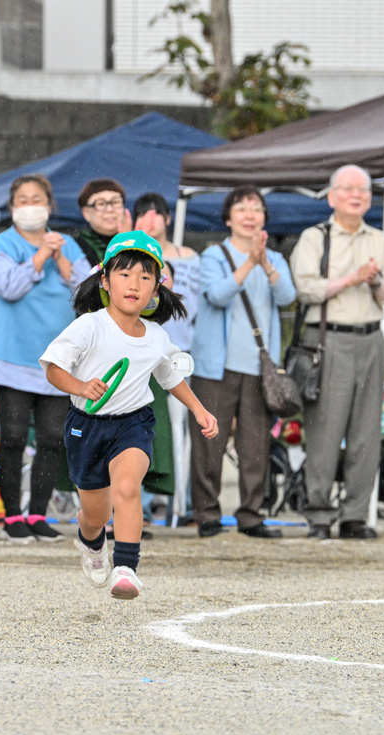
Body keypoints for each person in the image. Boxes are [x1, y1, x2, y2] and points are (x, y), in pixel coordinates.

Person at [40, 231, 218, 599]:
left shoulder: (156, 336)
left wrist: (199, 409)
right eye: (124, 274)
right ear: (105, 281)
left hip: (133, 424)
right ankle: (90, 541)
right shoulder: (89, 325)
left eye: (145, 276)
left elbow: (170, 377)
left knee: (127, 487)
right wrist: (80, 386)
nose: (134, 284)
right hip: (86, 428)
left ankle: (126, 568)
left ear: (156, 288)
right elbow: (53, 368)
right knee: (96, 516)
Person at [290, 165, 384, 540]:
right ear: (332, 196)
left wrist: (375, 281)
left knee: (367, 431)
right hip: (328, 339)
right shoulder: (315, 237)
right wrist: (351, 279)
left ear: (370, 198)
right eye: (348, 188)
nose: (356, 195)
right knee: (325, 429)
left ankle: (355, 514)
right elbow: (306, 288)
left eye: (363, 190)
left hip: (371, 338)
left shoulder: (380, 240)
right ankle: (319, 514)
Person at [0, 174, 91, 543]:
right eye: (22, 200)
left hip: (56, 360)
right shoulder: (2, 243)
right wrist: (40, 255)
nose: (30, 206)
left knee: (52, 439)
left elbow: (88, 292)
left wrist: (61, 259)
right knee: (12, 437)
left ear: (49, 205)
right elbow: (8, 287)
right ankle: (12, 517)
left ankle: (39, 515)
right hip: (10, 356)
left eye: (37, 199)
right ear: (12, 208)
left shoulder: (68, 244)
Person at [191, 185, 297, 539]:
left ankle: (251, 515)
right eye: (241, 208)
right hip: (215, 365)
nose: (250, 215)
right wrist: (249, 263)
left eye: (256, 208)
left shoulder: (275, 258)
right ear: (228, 218)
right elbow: (216, 296)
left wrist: (265, 263)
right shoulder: (214, 255)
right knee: (209, 442)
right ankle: (207, 514)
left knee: (255, 445)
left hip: (259, 368)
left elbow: (288, 297)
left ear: (264, 218)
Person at [134, 192, 201, 523]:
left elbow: (196, 306)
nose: (150, 219)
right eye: (143, 213)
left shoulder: (190, 257)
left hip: (179, 350)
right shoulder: (131, 258)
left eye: (156, 213)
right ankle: (141, 503)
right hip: (141, 351)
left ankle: (181, 502)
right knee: (141, 423)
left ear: (168, 218)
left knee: (181, 427)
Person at [73, 179, 132, 266]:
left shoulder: (139, 239)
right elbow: (94, 274)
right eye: (101, 204)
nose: (110, 209)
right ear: (86, 212)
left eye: (116, 202)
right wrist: (122, 243)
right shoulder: (75, 246)